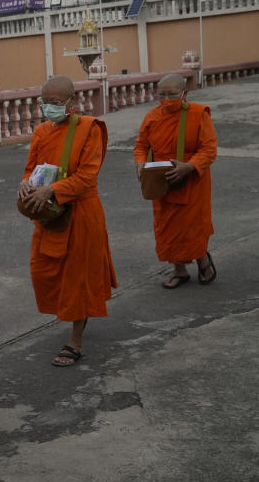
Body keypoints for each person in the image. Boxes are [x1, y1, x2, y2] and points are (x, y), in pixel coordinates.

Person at [17, 76, 116, 367]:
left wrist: (54, 190)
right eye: (45, 103)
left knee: (77, 277)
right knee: (45, 270)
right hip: (49, 212)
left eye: (56, 103)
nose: (50, 108)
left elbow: (87, 176)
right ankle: (73, 320)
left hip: (81, 213)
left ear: (72, 102)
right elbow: (30, 169)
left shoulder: (89, 129)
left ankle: (75, 340)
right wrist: (25, 184)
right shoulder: (40, 132)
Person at [133, 73, 217, 288]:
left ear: (184, 94)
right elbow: (141, 146)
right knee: (168, 227)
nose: (167, 100)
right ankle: (179, 270)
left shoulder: (199, 115)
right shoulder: (152, 117)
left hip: (192, 181)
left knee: (193, 226)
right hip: (163, 180)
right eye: (162, 95)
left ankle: (202, 259)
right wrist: (141, 164)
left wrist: (189, 167)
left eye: (172, 95)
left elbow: (209, 149)